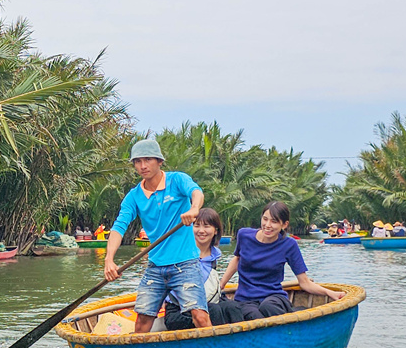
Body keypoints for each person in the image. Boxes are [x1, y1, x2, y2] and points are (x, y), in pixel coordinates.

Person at [104, 138, 211, 332]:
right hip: (155, 267)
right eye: (137, 161)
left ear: (159, 161)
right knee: (142, 321)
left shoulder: (177, 180)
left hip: (185, 263)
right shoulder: (134, 196)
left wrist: (194, 209)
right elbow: (119, 227)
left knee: (199, 315)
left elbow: (196, 192)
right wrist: (109, 260)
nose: (143, 166)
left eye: (147, 160)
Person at [218, 201, 345, 322]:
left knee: (268, 308)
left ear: (284, 225)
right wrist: (221, 284)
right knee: (254, 316)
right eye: (265, 219)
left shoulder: (289, 245)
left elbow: (304, 282)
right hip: (245, 300)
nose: (267, 225)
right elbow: (237, 259)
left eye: (274, 221)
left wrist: (330, 293)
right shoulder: (244, 235)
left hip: (273, 298)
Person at [163, 208, 224, 331]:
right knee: (213, 310)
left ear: (215, 231)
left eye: (206, 226)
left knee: (232, 307)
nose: (201, 231)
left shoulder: (214, 255)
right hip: (179, 311)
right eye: (196, 226)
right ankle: (217, 346)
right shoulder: (180, 254)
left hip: (205, 304)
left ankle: (242, 343)